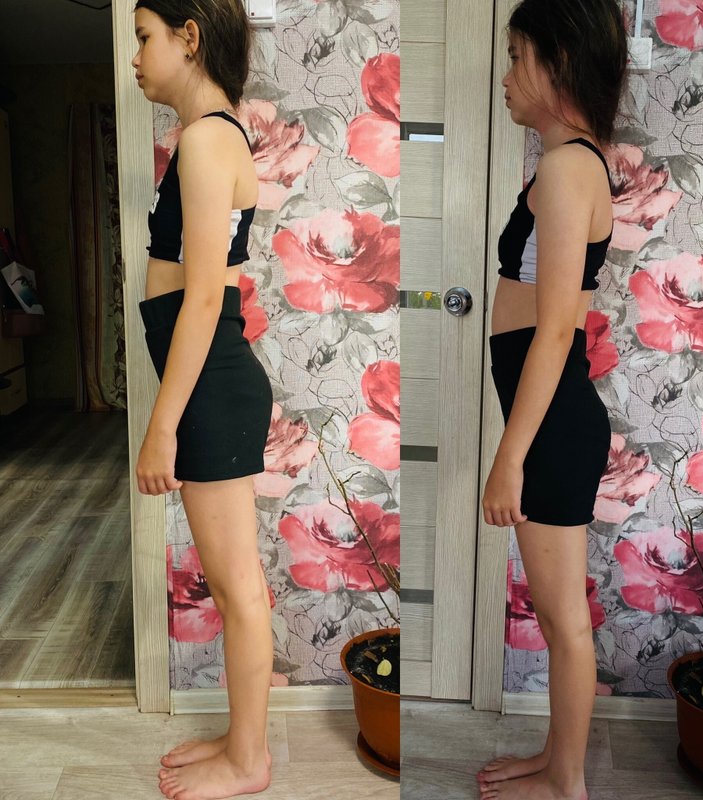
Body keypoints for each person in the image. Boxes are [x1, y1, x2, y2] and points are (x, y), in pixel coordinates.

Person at [477, 2, 628, 799]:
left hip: (553, 427)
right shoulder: (569, 163)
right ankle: (554, 758)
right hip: (550, 420)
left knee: (564, 619)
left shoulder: (570, 169)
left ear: (559, 60)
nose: (505, 77)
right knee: (556, 612)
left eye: (516, 56)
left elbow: (555, 332)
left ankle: (567, 780)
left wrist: (510, 459)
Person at [131, 2, 275, 798]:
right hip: (210, 384)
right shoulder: (208, 137)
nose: (135, 57)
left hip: (212, 387)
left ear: (189, 37)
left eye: (144, 37)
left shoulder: (206, 139)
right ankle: (239, 738)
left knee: (236, 587)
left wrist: (162, 429)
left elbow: (204, 298)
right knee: (231, 584)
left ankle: (249, 762)